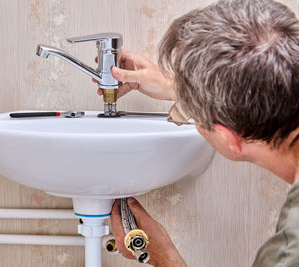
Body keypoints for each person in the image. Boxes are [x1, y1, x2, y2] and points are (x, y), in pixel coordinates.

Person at [96, 0, 299, 266]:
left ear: (229, 138)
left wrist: (163, 255)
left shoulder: (288, 254)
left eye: (195, 115)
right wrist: (177, 87)